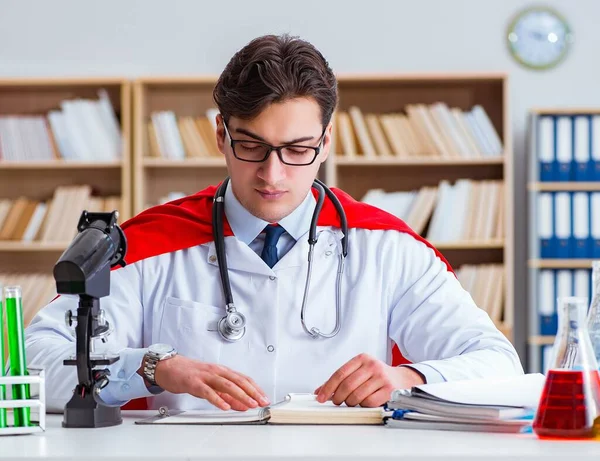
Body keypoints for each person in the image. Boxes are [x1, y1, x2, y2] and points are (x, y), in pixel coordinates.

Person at [25, 34, 523, 413]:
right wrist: (152, 368)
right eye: (252, 146)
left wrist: (410, 377)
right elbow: (32, 363)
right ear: (221, 134)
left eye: (298, 150)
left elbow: (498, 365)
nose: (272, 174)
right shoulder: (149, 243)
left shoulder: (387, 247)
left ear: (327, 142)